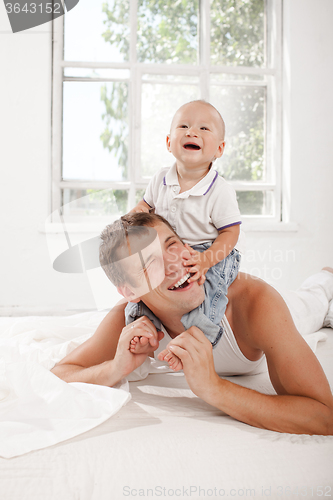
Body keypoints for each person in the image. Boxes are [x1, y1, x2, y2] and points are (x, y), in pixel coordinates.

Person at [51, 213, 333, 435]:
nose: (175, 264)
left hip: (289, 309)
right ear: (130, 291)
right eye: (150, 264)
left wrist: (214, 388)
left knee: (313, 302)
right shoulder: (130, 317)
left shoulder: (257, 302)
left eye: (172, 245)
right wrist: (115, 368)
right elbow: (60, 374)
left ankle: (325, 278)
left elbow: (323, 417)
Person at [129, 100, 242, 352]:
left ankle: (200, 338)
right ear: (169, 142)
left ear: (220, 148)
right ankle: (142, 326)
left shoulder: (219, 190)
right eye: (184, 126)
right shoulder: (160, 179)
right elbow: (143, 207)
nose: (192, 132)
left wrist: (205, 260)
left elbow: (230, 232)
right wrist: (131, 220)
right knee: (144, 285)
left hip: (208, 250)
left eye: (204, 129)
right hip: (168, 251)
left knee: (208, 290)